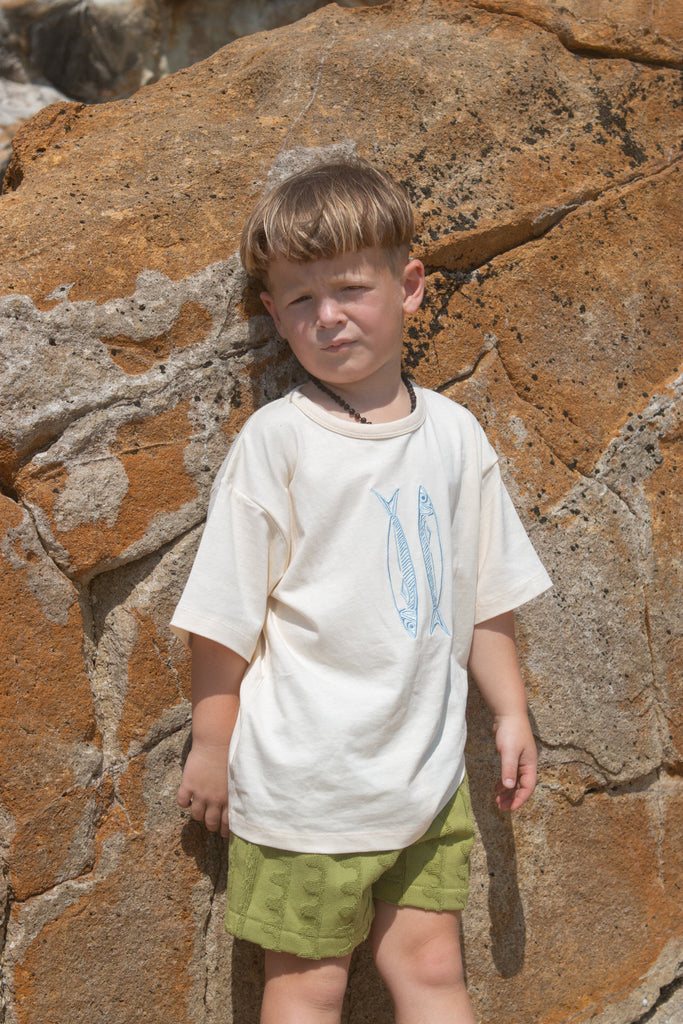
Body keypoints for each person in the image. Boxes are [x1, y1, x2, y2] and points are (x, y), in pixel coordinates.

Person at [171, 158, 551, 1024]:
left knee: (432, 971)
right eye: (299, 300)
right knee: (308, 987)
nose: (327, 316)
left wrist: (510, 712)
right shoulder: (277, 442)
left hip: (423, 779)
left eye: (348, 288)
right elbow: (223, 614)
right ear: (273, 313)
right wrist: (210, 741)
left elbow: (483, 593)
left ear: (409, 285)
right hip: (307, 789)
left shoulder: (454, 435)